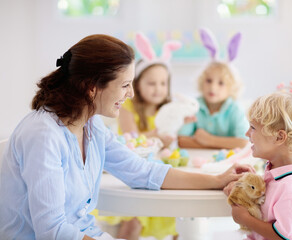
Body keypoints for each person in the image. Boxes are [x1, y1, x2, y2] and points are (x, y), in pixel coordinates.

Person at [0, 34, 253, 240]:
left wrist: (217, 179)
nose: (131, 94)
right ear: (91, 87)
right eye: (124, 85)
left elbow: (143, 171)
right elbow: (52, 231)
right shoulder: (44, 136)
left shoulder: (92, 127)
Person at [94, 33, 182, 240]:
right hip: (133, 169)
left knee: (176, 219)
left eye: (163, 83)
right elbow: (131, 138)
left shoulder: (168, 109)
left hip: (160, 169)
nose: (158, 89)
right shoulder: (128, 107)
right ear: (137, 84)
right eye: (152, 83)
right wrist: (157, 135)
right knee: (133, 221)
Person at [224, 91, 292, 240]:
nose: (247, 133)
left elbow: (284, 237)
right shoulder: (278, 169)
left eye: (253, 128)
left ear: (279, 137)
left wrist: (245, 219)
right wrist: (244, 188)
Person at [177, 61, 249, 149]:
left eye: (221, 83)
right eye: (208, 81)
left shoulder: (235, 109)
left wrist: (209, 140)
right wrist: (224, 144)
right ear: (201, 82)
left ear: (232, 87)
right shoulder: (193, 106)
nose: (213, 87)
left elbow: (243, 142)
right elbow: (182, 140)